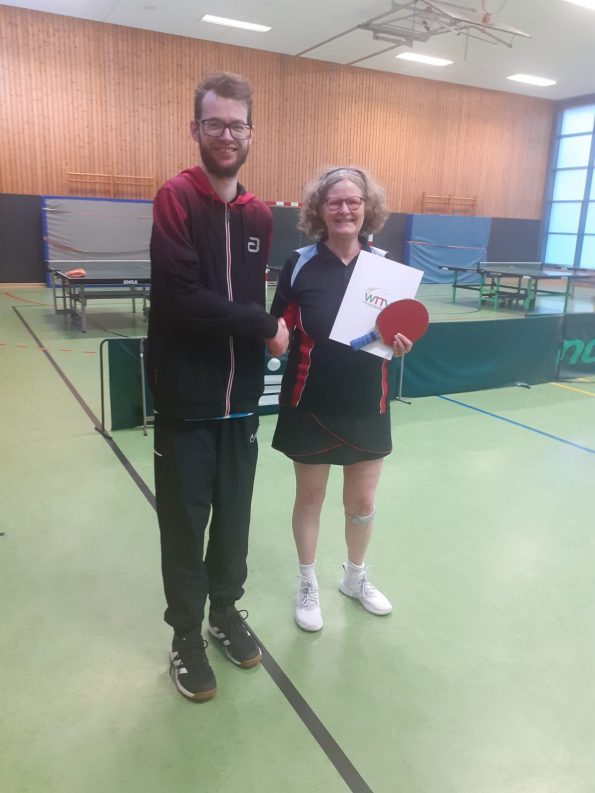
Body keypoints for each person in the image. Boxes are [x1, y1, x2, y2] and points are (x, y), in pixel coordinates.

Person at [147, 72, 289, 701]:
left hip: (241, 401)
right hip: (186, 398)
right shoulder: (175, 198)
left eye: (237, 125)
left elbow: (254, 293)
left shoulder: (259, 214)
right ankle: (185, 634)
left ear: (250, 132)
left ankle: (224, 610)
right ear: (195, 129)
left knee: (234, 516)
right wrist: (264, 326)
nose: (226, 135)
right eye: (215, 124)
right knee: (185, 523)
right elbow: (181, 298)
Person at [269, 166, 413, 632]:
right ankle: (307, 583)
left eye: (354, 201)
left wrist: (402, 342)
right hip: (310, 398)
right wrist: (272, 336)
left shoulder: (386, 266)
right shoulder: (299, 262)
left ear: (367, 208)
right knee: (310, 498)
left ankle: (355, 578)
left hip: (367, 400)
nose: (345, 209)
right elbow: (279, 323)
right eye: (335, 202)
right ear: (320, 209)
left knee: (363, 501)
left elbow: (397, 330)